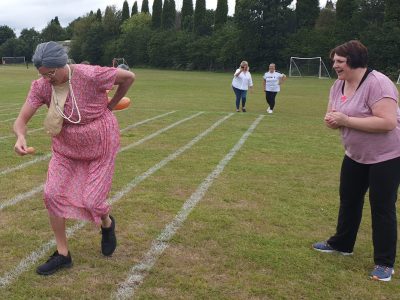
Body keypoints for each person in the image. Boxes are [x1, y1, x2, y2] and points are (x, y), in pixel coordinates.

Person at [13, 41, 135, 275]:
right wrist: (20, 137)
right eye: (43, 75)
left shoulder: (89, 75)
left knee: (92, 201)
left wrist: (109, 105)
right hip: (66, 148)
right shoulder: (41, 86)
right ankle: (62, 254)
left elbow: (129, 77)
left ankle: (107, 224)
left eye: (50, 73)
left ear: (62, 64)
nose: (47, 79)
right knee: (51, 194)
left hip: (101, 145)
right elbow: (21, 121)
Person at [312, 40, 400, 282]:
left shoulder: (379, 84)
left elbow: (388, 122)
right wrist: (332, 121)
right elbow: (334, 115)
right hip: (355, 154)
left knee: (382, 207)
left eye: (339, 61)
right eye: (334, 61)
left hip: (387, 156)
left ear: (353, 60)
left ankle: (384, 263)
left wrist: (346, 120)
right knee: (349, 199)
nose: (335, 66)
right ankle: (342, 244)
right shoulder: (338, 85)